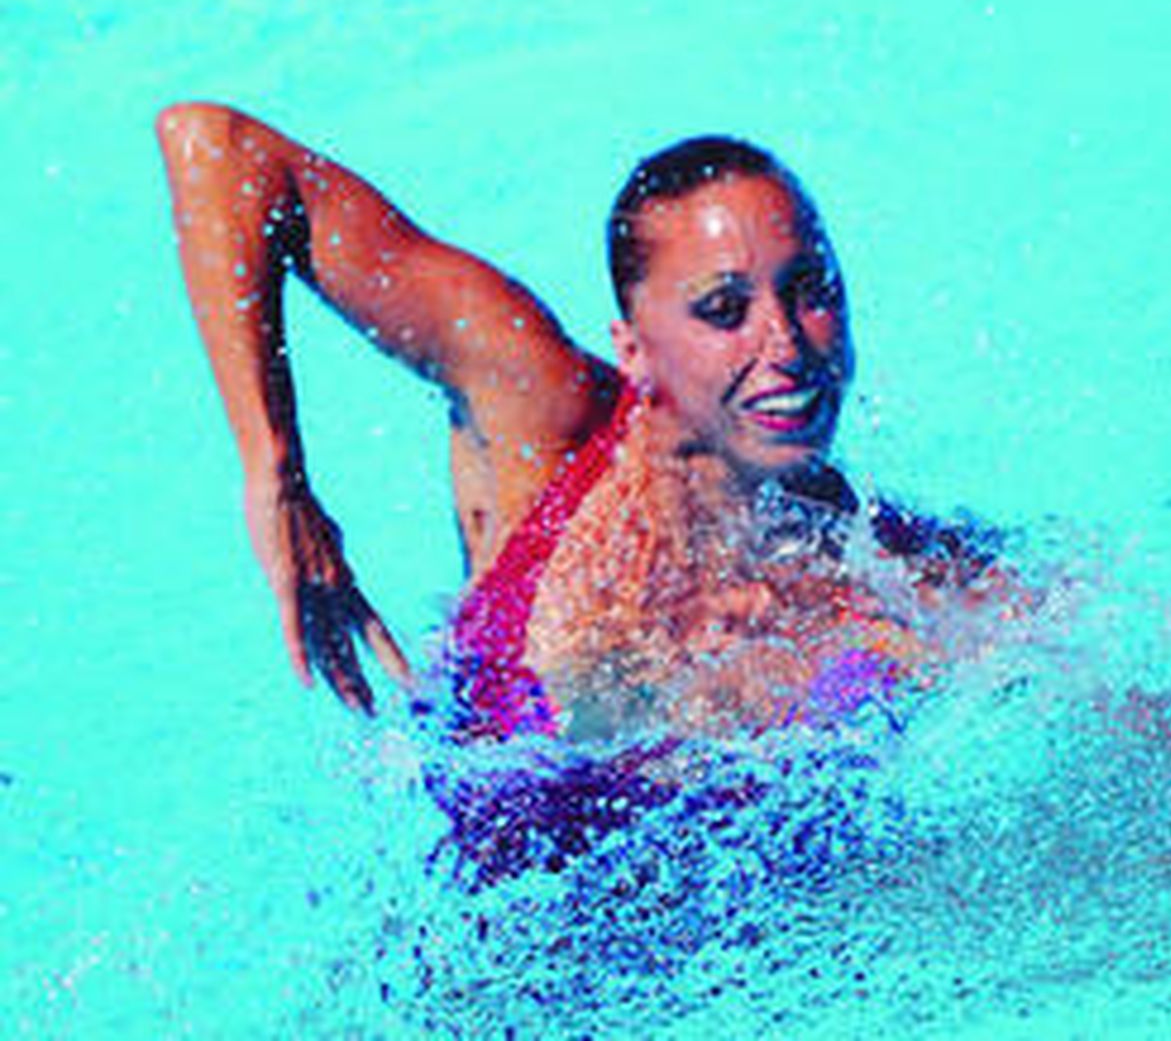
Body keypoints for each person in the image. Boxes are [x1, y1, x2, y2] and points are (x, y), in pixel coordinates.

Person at [157, 102, 983, 745]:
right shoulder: (545, 415)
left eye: (812, 289)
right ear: (634, 347)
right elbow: (217, 149)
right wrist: (277, 475)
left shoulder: (883, 560)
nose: (788, 344)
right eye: (724, 309)